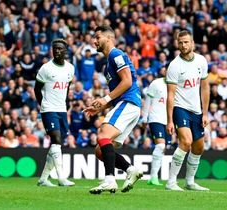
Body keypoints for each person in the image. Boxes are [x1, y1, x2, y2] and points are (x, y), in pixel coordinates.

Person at [83, 25, 143, 194]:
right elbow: (118, 91)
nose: (94, 41)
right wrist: (102, 105)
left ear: (109, 38)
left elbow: (127, 82)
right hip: (127, 104)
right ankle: (131, 170)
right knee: (100, 150)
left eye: (97, 37)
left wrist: (105, 98)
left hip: (129, 102)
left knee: (102, 134)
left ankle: (109, 180)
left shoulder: (116, 54)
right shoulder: (107, 65)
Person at [165, 30, 210, 191]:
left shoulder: (201, 61)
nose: (183, 45)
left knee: (199, 147)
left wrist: (205, 113)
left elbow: (205, 88)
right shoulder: (174, 65)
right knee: (186, 141)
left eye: (186, 42)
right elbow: (170, 94)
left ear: (192, 43)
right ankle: (171, 182)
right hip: (180, 107)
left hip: (196, 110)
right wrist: (169, 120)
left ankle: (189, 182)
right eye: (180, 43)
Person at [34, 38, 75, 187]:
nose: (57, 51)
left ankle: (43, 178)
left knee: (56, 144)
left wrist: (66, 102)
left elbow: (67, 86)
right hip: (49, 109)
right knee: (56, 139)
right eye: (55, 48)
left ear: (65, 51)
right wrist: (43, 105)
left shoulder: (70, 68)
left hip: (62, 110)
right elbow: (36, 89)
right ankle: (61, 178)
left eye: (60, 48)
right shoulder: (46, 68)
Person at [142, 75, 170, 186]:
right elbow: (148, 101)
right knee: (160, 146)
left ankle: (153, 177)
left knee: (162, 149)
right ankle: (153, 177)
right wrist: (144, 118)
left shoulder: (175, 86)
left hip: (167, 121)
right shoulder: (156, 83)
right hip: (155, 118)